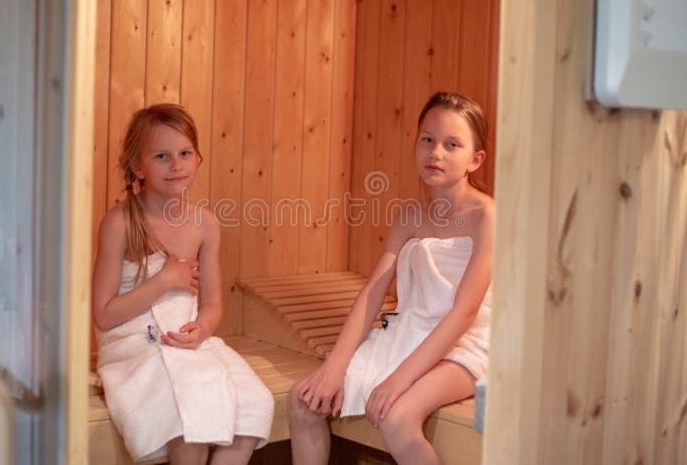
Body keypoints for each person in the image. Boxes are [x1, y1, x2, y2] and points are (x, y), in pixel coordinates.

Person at [290, 92, 494, 465]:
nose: (436, 152)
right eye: (427, 140)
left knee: (398, 417)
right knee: (305, 402)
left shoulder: (487, 217)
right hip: (409, 331)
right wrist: (333, 367)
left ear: (475, 159)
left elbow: (465, 313)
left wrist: (397, 382)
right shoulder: (409, 217)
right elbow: (372, 293)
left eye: (452, 145)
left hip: (466, 343)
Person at [93, 104, 273, 465]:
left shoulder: (204, 224)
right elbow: (103, 315)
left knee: (253, 406)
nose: (176, 165)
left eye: (184, 153)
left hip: (189, 343)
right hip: (133, 344)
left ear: (197, 158)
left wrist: (202, 328)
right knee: (192, 417)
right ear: (137, 165)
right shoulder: (121, 223)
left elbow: (212, 305)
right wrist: (162, 282)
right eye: (162, 156)